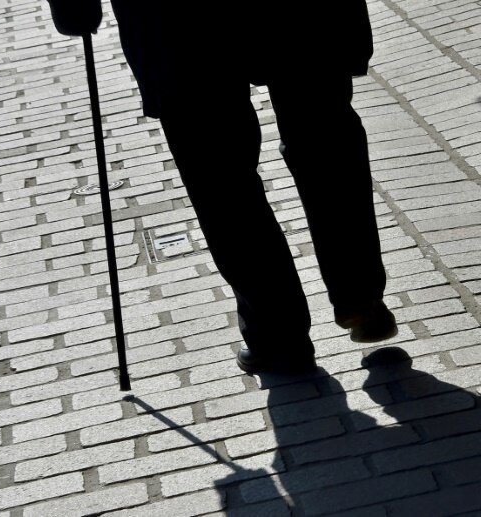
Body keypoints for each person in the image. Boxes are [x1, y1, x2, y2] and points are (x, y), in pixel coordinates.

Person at [46, 1, 398, 374]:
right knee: (323, 134)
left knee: (218, 170)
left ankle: (277, 332)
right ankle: (361, 296)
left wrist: (73, 5)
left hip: (174, 20)